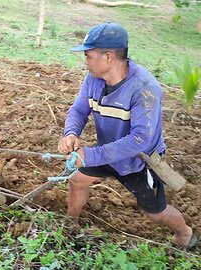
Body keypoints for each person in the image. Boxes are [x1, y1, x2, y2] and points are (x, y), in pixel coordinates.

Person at [58, 22, 198, 250]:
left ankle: (185, 233)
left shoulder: (144, 88)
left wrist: (90, 156)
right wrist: (70, 133)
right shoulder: (93, 79)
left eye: (88, 55)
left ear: (107, 57)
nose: (85, 61)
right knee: (77, 179)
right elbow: (79, 110)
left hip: (138, 161)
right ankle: (70, 224)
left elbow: (140, 139)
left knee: (154, 212)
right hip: (106, 152)